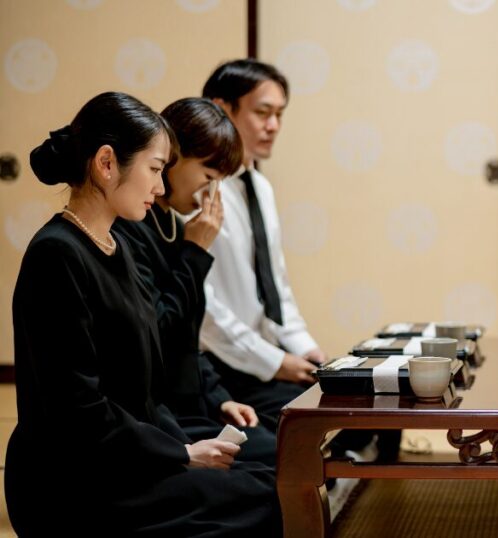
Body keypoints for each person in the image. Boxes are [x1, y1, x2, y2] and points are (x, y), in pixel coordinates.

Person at [6, 92, 280, 536]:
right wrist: (182, 454)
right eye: (154, 169)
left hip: (128, 459)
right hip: (73, 482)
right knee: (267, 503)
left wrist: (188, 445)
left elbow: (150, 388)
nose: (160, 185)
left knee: (268, 486)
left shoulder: (117, 249)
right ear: (107, 163)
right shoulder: (56, 255)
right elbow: (78, 410)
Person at [199, 59, 389, 458]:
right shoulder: (200, 191)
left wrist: (307, 350)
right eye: (262, 112)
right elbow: (206, 311)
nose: (273, 126)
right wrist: (275, 362)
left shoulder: (260, 187)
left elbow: (277, 287)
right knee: (315, 425)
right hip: (222, 366)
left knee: (376, 410)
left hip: (262, 355)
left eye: (279, 115)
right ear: (222, 107)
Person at [114, 97, 277, 467]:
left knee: (286, 449)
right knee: (277, 465)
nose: (210, 193)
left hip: (193, 401)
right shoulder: (133, 230)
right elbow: (160, 328)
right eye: (207, 176)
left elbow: (190, 338)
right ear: (173, 157)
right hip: (162, 414)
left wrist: (220, 397)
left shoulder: (175, 225)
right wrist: (196, 253)